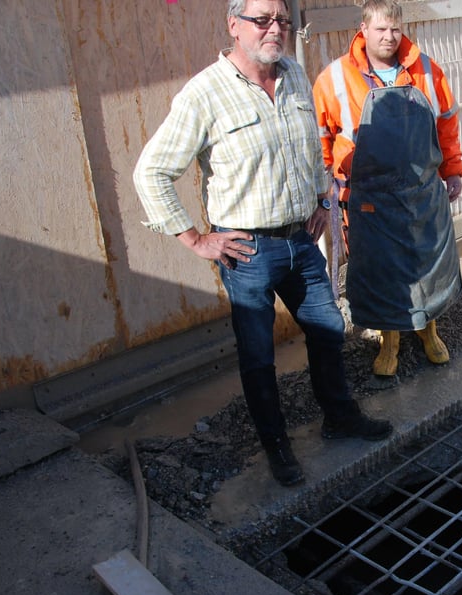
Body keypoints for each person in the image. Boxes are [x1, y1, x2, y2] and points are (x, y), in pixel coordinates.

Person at [133, 0, 392, 488]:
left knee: (329, 331)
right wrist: (194, 238)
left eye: (283, 21)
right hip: (248, 251)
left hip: (300, 239)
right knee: (258, 357)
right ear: (234, 25)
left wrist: (322, 198)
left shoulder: (294, 73)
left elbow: (309, 145)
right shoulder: (204, 94)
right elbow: (151, 173)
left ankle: (339, 418)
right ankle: (277, 446)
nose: (275, 29)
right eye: (262, 20)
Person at [313, 0, 462, 378]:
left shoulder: (427, 71)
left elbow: (446, 123)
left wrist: (453, 170)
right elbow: (320, 138)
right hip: (369, 197)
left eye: (395, 29)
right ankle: (390, 340)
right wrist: (325, 186)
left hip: (420, 192)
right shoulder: (334, 78)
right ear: (363, 29)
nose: (389, 37)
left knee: (424, 263)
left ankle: (428, 329)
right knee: (382, 269)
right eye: (380, 29)